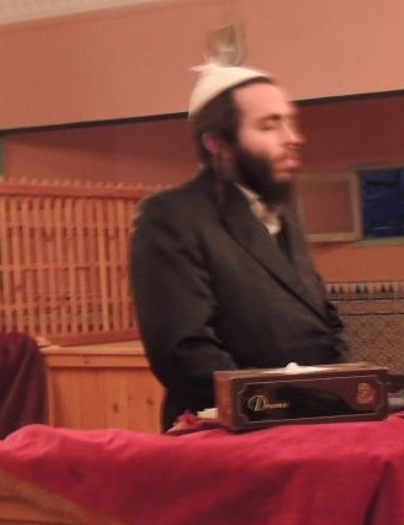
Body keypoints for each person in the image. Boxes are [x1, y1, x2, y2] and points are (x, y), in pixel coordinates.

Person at [130, 62, 351, 429]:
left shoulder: (283, 215)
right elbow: (185, 355)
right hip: (232, 436)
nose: (292, 138)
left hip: (314, 426)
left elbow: (323, 322)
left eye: (290, 122)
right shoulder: (172, 216)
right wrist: (289, 406)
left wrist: (345, 394)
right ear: (218, 143)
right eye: (269, 125)